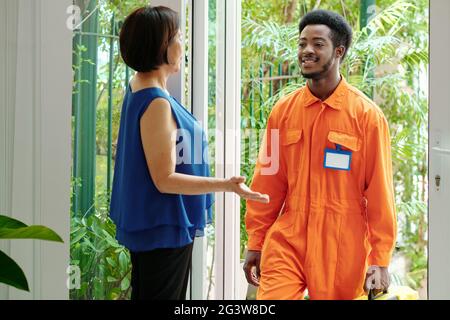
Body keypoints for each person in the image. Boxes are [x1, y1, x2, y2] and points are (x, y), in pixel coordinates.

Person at [110, 5, 269, 300]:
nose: (183, 45)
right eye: (179, 37)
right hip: (163, 226)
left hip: (157, 224)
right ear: (162, 48)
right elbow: (165, 180)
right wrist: (227, 185)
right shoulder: (156, 101)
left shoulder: (140, 86)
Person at [243, 9, 397, 300]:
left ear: (338, 52)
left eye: (317, 43)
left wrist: (381, 258)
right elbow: (267, 183)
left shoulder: (366, 117)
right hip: (289, 237)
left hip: (343, 242)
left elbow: (380, 193)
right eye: (302, 43)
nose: (307, 51)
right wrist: (256, 240)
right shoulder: (283, 113)